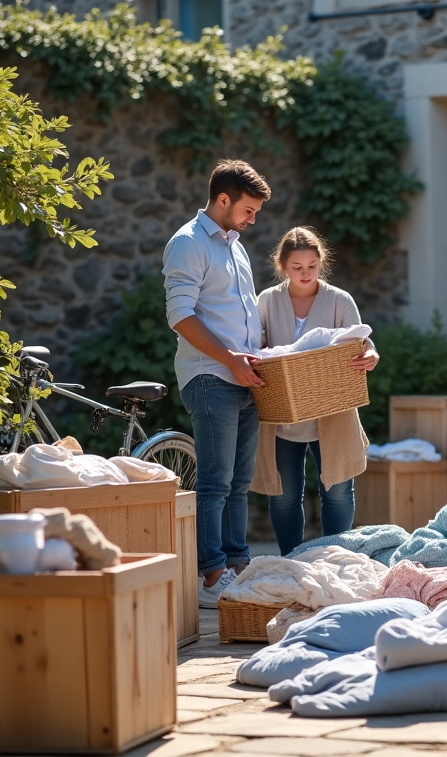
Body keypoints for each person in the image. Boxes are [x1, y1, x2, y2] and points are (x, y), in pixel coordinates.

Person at [162, 159, 270, 608]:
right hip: (211, 378)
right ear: (222, 200)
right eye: (247, 210)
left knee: (240, 482)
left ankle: (237, 569)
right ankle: (211, 579)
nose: (251, 220)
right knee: (214, 483)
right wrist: (230, 359)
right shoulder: (188, 244)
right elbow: (180, 316)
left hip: (246, 378)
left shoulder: (235, 245)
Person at [252, 226, 378, 555]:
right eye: (297, 268)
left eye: (312, 266)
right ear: (282, 267)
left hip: (333, 412)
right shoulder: (266, 301)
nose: (305, 273)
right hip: (283, 415)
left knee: (337, 491)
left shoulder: (339, 300)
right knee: (283, 496)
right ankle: (291, 562)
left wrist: (371, 356)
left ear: (321, 262)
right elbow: (253, 346)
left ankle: (336, 560)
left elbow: (363, 342)